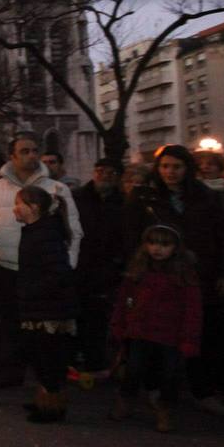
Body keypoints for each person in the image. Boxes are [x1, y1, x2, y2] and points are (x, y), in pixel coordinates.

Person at [125, 144, 224, 416]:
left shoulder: (206, 197)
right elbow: (130, 236)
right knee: (156, 333)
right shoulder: (145, 197)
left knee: (201, 333)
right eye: (165, 166)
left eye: (176, 167)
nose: (170, 172)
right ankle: (156, 389)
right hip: (158, 275)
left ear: (187, 169)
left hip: (198, 274)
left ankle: (203, 390)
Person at [0, 132, 82, 388]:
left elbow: (74, 230)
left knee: (41, 329)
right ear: (12, 156)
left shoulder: (56, 189)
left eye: (34, 150)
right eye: (24, 151)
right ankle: (8, 374)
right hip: (7, 268)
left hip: (43, 272)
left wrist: (69, 265)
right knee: (7, 326)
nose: (31, 155)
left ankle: (45, 383)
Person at [109, 225, 203, 433]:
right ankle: (126, 400)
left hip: (170, 333)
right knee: (133, 369)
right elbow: (123, 301)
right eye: (152, 243)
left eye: (164, 244)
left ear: (175, 248)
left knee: (169, 374)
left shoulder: (184, 275)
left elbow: (192, 310)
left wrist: (189, 338)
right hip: (140, 330)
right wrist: (119, 325)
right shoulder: (138, 270)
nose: (157, 249)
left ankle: (164, 408)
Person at [13, 185, 79, 423]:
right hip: (38, 305)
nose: (15, 208)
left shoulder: (46, 233)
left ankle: (53, 407)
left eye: (19, 203)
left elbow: (58, 272)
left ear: (34, 208)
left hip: (49, 308)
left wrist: (32, 290)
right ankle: (45, 397)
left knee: (49, 357)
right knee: (39, 355)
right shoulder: (34, 230)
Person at [71, 158, 126, 377]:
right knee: (76, 314)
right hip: (80, 265)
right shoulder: (77, 198)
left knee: (97, 318)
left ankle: (95, 360)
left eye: (110, 172)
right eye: (100, 171)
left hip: (106, 268)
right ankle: (74, 358)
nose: (104, 175)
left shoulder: (123, 203)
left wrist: (117, 262)